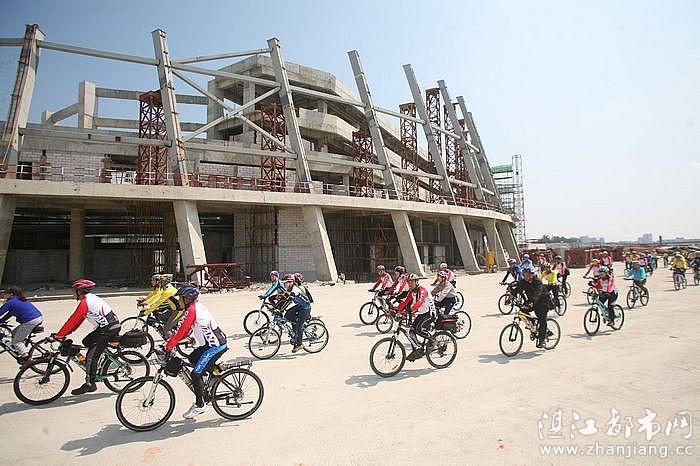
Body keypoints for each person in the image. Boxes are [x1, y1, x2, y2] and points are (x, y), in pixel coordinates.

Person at [165, 284, 227, 419]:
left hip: (215, 346)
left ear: (187, 299)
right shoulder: (194, 307)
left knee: (195, 374)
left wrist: (169, 347)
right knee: (192, 358)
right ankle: (214, 371)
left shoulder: (192, 310)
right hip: (210, 344)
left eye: (180, 298)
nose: (178, 301)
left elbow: (181, 330)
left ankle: (200, 405)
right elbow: (184, 331)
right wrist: (171, 343)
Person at [53, 279, 121, 395]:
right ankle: (100, 362)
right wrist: (65, 333)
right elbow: (78, 320)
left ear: (80, 291)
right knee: (86, 341)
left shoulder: (86, 302)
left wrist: (59, 335)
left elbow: (73, 319)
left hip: (108, 329)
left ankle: (90, 384)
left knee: (91, 355)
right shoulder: (88, 299)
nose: (72, 293)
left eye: (74, 291)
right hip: (107, 327)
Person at [396, 273, 437, 361]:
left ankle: (433, 340)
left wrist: (408, 311)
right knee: (411, 331)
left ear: (417, 282)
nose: (410, 284)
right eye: (408, 282)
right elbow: (405, 302)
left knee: (418, 329)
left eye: (412, 282)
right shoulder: (412, 292)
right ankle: (417, 350)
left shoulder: (422, 290)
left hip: (430, 313)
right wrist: (397, 310)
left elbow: (419, 303)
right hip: (422, 314)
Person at [0, 286, 43, 365]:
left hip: (31, 321)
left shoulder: (10, 302)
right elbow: (10, 313)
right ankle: (19, 349)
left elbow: (1, 312)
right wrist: (1, 320)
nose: (3, 295)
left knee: (17, 341)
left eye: (5, 293)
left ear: (11, 294)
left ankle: (27, 359)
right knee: (14, 333)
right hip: (36, 318)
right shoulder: (18, 299)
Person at [513, 266, 549, 348]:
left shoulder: (538, 282)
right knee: (522, 310)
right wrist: (510, 296)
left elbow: (538, 294)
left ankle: (542, 340)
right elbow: (517, 289)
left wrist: (532, 302)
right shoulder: (524, 282)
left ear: (531, 275)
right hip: (532, 301)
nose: (525, 277)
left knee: (542, 320)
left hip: (542, 302)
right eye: (524, 275)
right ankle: (533, 324)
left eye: (527, 275)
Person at [282, 274, 312, 353]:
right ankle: (296, 332)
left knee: (299, 325)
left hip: (305, 308)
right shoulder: (289, 289)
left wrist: (281, 309)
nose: (284, 284)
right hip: (300, 306)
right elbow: (283, 299)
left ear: (290, 282)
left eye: (285, 283)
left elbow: (288, 301)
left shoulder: (294, 290)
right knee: (288, 315)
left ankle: (299, 344)